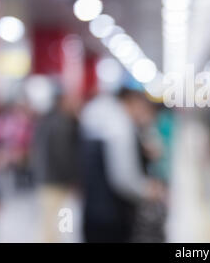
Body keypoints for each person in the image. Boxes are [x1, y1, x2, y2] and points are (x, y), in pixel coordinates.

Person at [79, 88, 163, 243]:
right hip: (111, 216)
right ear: (133, 102)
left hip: (93, 211)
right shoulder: (120, 126)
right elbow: (123, 178)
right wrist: (147, 190)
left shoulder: (102, 117)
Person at [31, 93, 80, 242]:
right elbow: (63, 154)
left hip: (45, 177)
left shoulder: (45, 120)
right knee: (59, 222)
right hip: (58, 180)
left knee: (50, 220)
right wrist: (73, 178)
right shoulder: (62, 123)